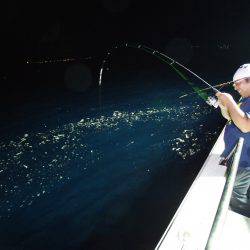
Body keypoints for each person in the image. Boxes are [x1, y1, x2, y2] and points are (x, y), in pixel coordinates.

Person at [216, 64, 250, 217]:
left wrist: (229, 101)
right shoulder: (246, 99)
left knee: (234, 198)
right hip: (241, 158)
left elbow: (245, 125)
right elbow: (234, 117)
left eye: (238, 82)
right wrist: (225, 107)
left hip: (243, 163)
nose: (235, 87)